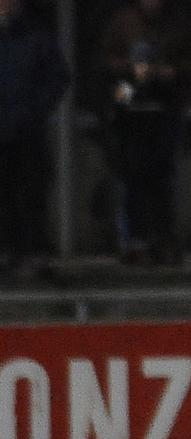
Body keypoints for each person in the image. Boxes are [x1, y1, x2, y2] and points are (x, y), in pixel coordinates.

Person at [97, 0, 191, 265]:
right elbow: (107, 65)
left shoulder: (179, 23)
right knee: (132, 184)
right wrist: (131, 71)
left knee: (163, 183)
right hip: (132, 123)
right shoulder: (123, 22)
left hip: (164, 116)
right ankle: (135, 240)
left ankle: (162, 239)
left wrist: (169, 73)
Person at [0, 0, 68, 281]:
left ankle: (30, 253)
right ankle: (7, 252)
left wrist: (34, 110)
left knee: (30, 195)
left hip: (27, 134)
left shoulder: (36, 37)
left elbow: (58, 77)